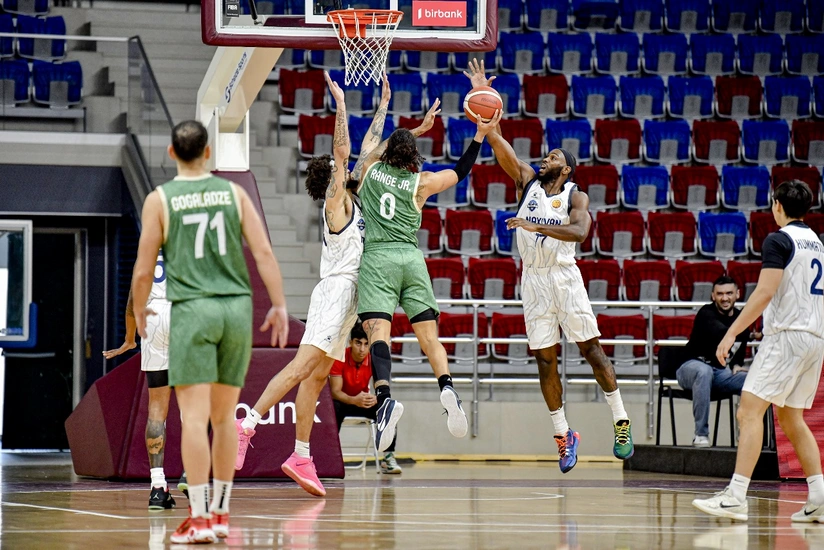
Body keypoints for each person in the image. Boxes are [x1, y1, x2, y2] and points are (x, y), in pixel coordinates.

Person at [234, 74, 439, 495]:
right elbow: (345, 151)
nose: (346, 168)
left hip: (352, 299)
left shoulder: (358, 195)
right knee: (300, 367)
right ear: (331, 177)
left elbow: (372, 150)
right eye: (339, 168)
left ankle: (300, 455)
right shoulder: (336, 202)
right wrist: (341, 105)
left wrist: (392, 113)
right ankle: (247, 424)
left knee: (315, 379)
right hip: (335, 292)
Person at [463, 59, 634, 473]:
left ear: (567, 168)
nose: (545, 157)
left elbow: (579, 232)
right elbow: (498, 141)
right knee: (544, 360)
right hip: (534, 281)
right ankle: (563, 435)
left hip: (565, 276)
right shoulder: (526, 182)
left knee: (592, 351)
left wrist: (534, 224)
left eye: (553, 156)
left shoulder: (576, 195)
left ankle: (620, 421)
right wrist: (484, 101)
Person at [132, 120, 289, 544]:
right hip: (235, 310)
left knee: (195, 419)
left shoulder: (160, 199)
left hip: (194, 311)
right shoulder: (234, 194)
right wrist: (278, 304)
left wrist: (140, 310)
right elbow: (263, 252)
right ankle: (220, 514)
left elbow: (144, 270)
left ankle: (200, 517)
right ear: (207, 153)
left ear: (171, 153)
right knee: (224, 419)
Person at [355, 100, 501, 453]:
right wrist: (480, 135)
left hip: (378, 258)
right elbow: (460, 171)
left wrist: (415, 129)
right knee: (429, 337)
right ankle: (447, 387)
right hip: (411, 259)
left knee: (379, 334)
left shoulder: (370, 170)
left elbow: (370, 151)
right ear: (413, 156)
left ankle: (385, 398)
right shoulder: (421, 182)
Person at [693, 180, 824, 522]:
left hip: (787, 337)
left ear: (777, 205)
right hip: (815, 339)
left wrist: (731, 334)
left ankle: (736, 496)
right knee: (791, 418)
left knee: (749, 412)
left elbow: (765, 292)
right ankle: (820, 497)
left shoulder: (778, 239)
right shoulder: (818, 243)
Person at [103, 255, 187, 509]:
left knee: (156, 409)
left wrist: (129, 339)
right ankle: (191, 474)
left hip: (153, 318)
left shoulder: (149, 248)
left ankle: (158, 487)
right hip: (184, 314)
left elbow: (132, 300)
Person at [677, 275, 751, 447]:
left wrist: (737, 365)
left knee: (752, 379)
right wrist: (750, 331)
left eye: (729, 293)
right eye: (720, 294)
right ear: (713, 296)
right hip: (690, 367)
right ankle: (701, 434)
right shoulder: (706, 313)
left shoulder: (741, 318)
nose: (724, 298)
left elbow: (739, 347)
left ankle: (750, 435)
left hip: (719, 373)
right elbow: (722, 332)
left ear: (737, 294)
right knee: (704, 371)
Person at [330, 321, 401, 474]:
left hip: (363, 402)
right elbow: (335, 392)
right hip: (343, 402)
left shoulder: (373, 359)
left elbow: (380, 386)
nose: (362, 349)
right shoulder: (339, 357)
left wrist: (377, 398)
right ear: (350, 342)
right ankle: (328, 456)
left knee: (388, 408)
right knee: (333, 407)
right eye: (358, 343)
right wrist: (353, 400)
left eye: (366, 344)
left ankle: (388, 457)